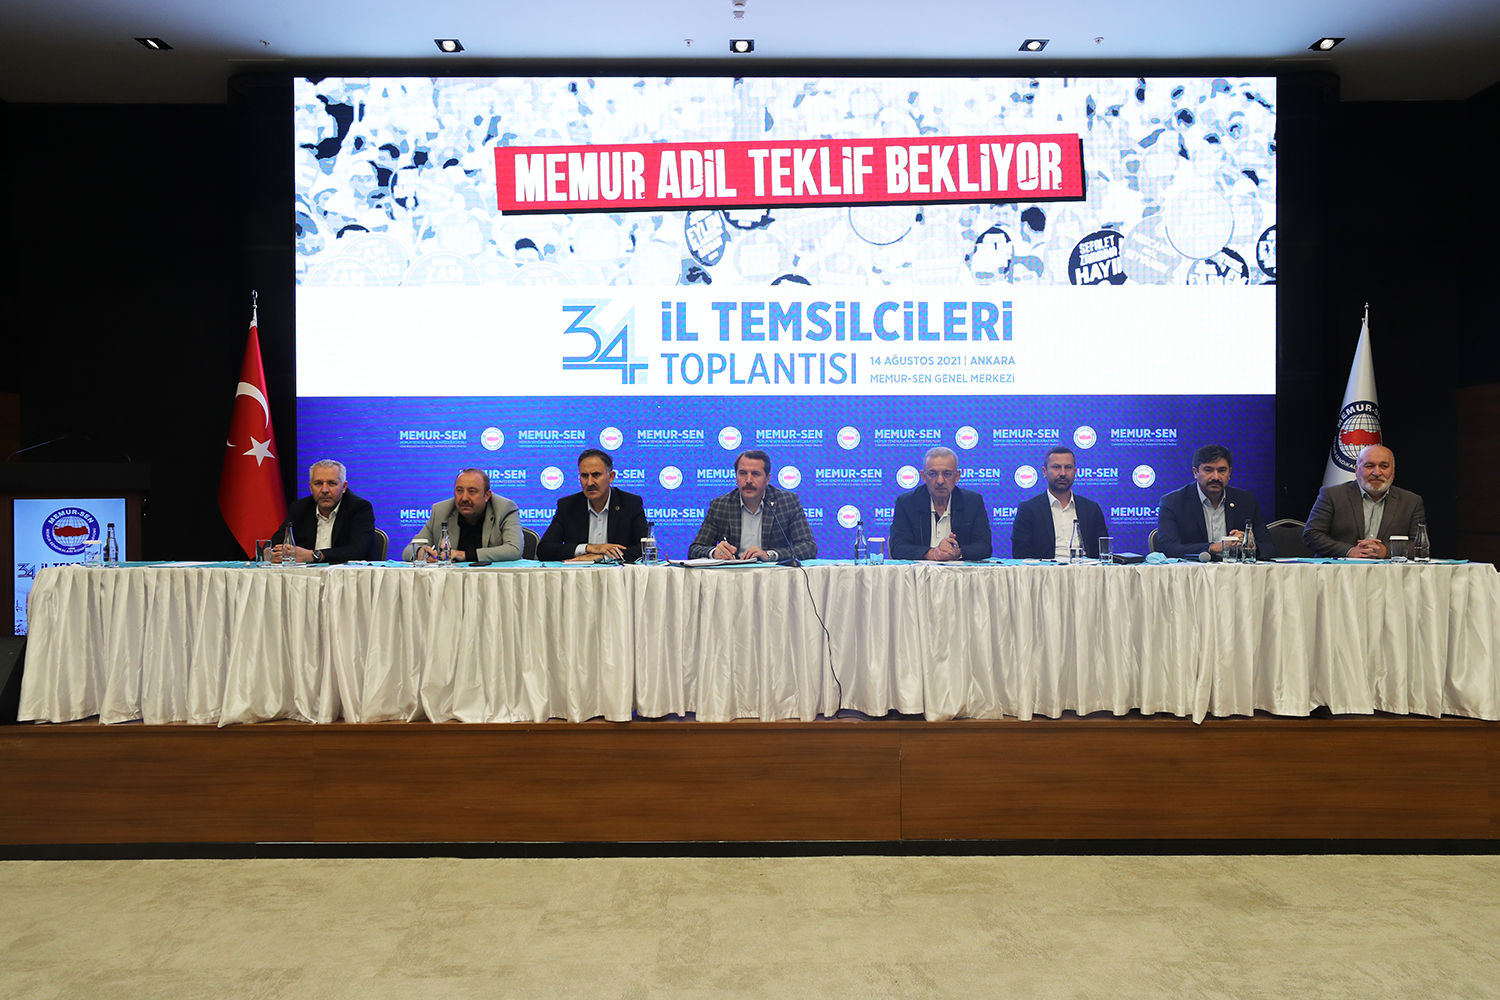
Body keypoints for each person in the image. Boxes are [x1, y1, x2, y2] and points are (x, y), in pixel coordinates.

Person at [688, 449, 817, 562]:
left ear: (767, 479)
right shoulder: (720, 506)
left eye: (755, 474)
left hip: (774, 576)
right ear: (736, 477)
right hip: (732, 577)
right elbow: (694, 550)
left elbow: (808, 547)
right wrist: (714, 553)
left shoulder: (787, 502)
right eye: (743, 473)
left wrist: (769, 555)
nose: (748, 480)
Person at [1155, 444, 1278, 559]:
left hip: (1236, 572)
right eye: (1208, 470)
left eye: (1222, 470)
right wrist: (1214, 547)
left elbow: (1269, 548)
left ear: (1229, 473)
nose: (1216, 477)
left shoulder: (1246, 501)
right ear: (1195, 472)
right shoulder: (1173, 502)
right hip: (1193, 572)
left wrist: (1247, 546)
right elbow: (1168, 548)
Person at [1303, 444, 1426, 558]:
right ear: (1356, 470)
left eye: (1384, 466)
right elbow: (1312, 535)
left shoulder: (1412, 501)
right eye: (1369, 466)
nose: (1377, 473)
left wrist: (1387, 550)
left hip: (1388, 572)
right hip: (1339, 570)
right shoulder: (1332, 495)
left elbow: (1420, 544)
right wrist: (1350, 551)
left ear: (1393, 471)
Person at [536, 448, 649, 562]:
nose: (590, 482)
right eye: (585, 476)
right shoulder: (568, 506)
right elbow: (544, 549)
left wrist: (603, 557)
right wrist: (588, 548)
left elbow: (646, 548)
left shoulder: (630, 503)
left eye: (596, 475)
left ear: (611, 477)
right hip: (578, 572)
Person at [888, 446, 992, 561]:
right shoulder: (907, 503)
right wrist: (933, 553)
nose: (940, 481)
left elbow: (984, 546)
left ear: (957, 477)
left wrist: (958, 552)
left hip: (960, 571)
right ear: (923, 476)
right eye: (933, 474)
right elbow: (897, 547)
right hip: (919, 571)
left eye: (947, 474)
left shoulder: (972, 501)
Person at [402, 468, 522, 563]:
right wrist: (419, 552)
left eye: (472, 491)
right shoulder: (441, 511)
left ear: (487, 495)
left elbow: (514, 549)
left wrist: (464, 555)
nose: (464, 498)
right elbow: (409, 550)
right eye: (459, 490)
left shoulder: (504, 508)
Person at [270, 459, 377, 564]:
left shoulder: (359, 508)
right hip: (307, 574)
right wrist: (271, 554)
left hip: (349, 573)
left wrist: (313, 555)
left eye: (332, 483)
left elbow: (356, 551)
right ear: (310, 487)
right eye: (318, 483)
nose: (324, 490)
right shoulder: (300, 508)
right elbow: (277, 543)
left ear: (344, 487)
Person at [1012, 446, 1110, 559]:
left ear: (1075, 472)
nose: (1063, 473)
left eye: (1068, 467)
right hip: (1045, 569)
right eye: (1056, 467)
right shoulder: (1028, 509)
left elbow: (1103, 551)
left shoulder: (1091, 509)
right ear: (1044, 472)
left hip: (1086, 568)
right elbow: (1022, 555)